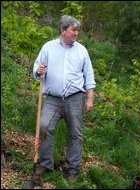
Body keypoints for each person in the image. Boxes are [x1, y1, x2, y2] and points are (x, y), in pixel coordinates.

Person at [33, 15, 96, 183]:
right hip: (52, 99)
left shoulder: (82, 50)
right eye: (73, 30)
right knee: (44, 126)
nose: (76, 33)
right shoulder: (48, 47)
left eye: (77, 30)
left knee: (75, 134)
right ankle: (45, 164)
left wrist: (89, 98)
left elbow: (89, 76)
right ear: (63, 30)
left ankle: (72, 169)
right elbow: (37, 68)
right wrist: (38, 71)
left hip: (74, 98)